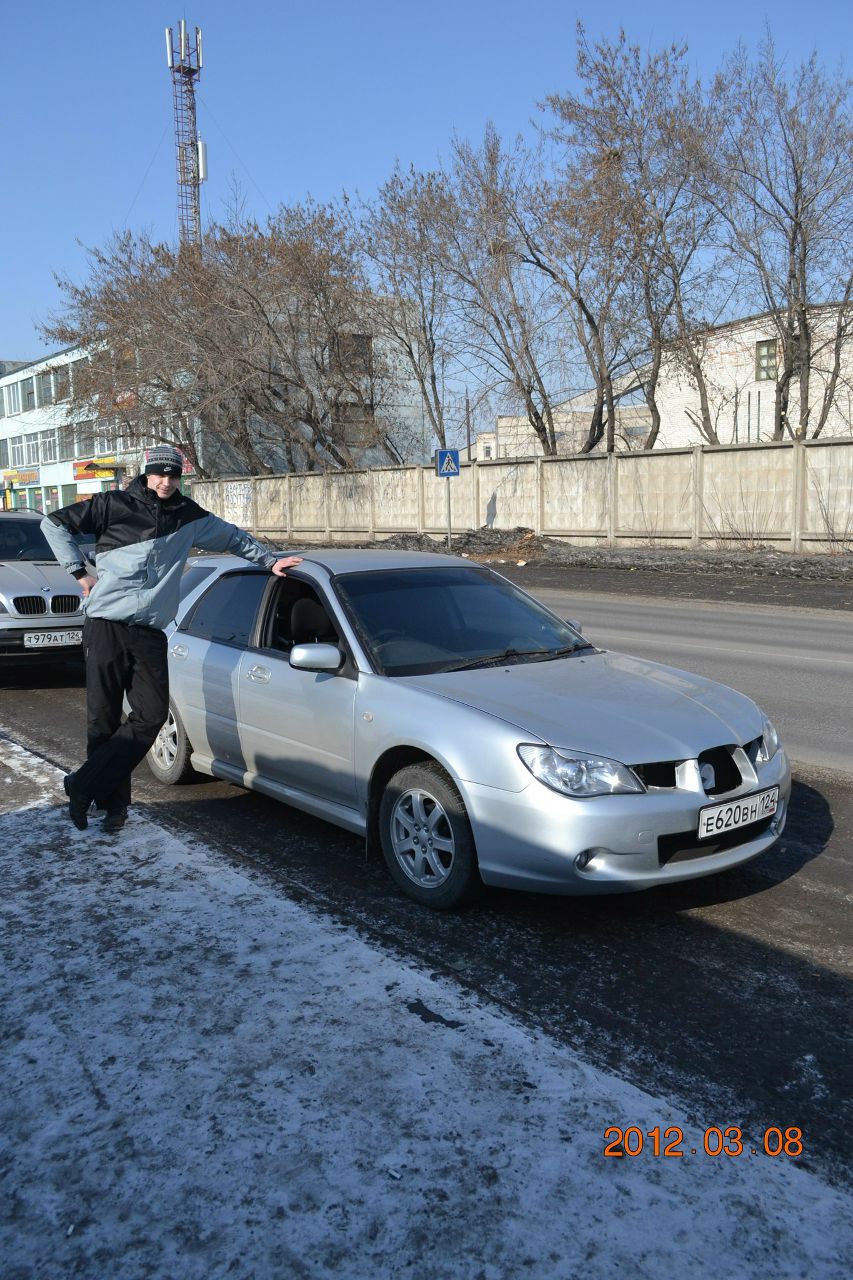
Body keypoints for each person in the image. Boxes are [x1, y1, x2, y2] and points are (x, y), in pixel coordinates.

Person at [41, 445, 302, 832]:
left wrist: (269, 560)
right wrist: (79, 572)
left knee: (151, 716)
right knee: (103, 719)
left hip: (149, 630)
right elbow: (53, 524)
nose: (166, 481)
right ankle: (113, 806)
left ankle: (81, 784)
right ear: (147, 473)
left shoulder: (187, 516)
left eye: (173, 475)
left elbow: (232, 538)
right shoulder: (112, 505)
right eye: (160, 474)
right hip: (107, 625)